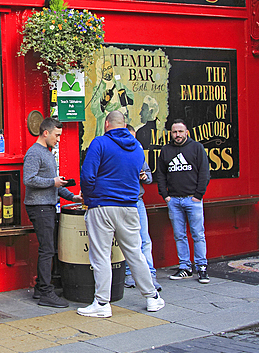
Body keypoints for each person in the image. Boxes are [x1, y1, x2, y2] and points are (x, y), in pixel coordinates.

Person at [77, 111, 164, 318]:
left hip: (102, 207)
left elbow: (87, 176)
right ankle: (152, 298)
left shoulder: (99, 143)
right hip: (130, 207)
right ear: (124, 125)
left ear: (106, 123)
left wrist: (90, 199)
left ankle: (102, 303)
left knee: (101, 256)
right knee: (135, 253)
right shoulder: (137, 149)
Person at [23, 117, 82, 308]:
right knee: (47, 249)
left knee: (49, 248)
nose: (58, 139)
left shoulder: (47, 153)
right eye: (56, 135)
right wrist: (53, 182)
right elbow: (28, 179)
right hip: (39, 206)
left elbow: (54, 183)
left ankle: (42, 288)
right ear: (45, 132)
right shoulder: (34, 153)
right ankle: (46, 293)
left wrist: (73, 197)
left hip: (47, 205)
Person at [156, 119, 211, 283]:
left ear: (186, 132)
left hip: (192, 200)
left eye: (180, 131)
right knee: (179, 236)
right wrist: (165, 196)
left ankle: (202, 267)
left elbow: (204, 173)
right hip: (174, 201)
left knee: (198, 235)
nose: (177, 135)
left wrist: (198, 195)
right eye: (174, 132)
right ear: (170, 133)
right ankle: (185, 267)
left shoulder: (196, 148)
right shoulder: (166, 150)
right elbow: (160, 174)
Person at [124, 127, 161, 292]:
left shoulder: (138, 151)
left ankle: (150, 275)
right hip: (122, 202)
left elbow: (149, 176)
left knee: (144, 239)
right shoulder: (116, 152)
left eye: (134, 138)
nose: (132, 141)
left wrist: (144, 176)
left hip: (138, 201)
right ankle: (128, 275)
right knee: (125, 241)